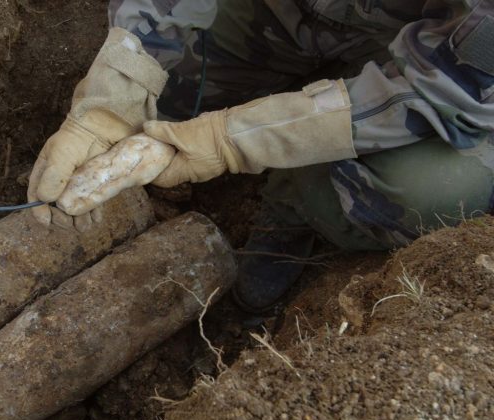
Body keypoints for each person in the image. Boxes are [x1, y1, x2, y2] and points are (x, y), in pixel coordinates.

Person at [27, 0, 494, 317]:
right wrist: (116, 92)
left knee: (431, 192)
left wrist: (232, 140)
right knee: (160, 103)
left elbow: (442, 92)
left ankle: (293, 208)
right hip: (277, 10)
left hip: (424, 56)